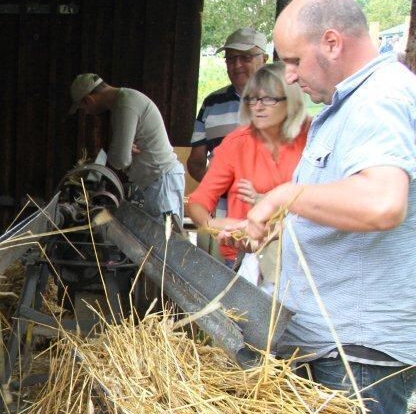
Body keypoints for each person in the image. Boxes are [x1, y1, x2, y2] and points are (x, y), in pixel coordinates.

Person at [229, 0, 416, 414]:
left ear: (331, 43)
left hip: (358, 347)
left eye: (292, 61)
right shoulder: (346, 105)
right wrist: (280, 219)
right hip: (325, 335)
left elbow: (382, 203)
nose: (287, 76)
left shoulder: (383, 100)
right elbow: (339, 203)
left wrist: (285, 198)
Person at [186, 62, 309, 267]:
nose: (257, 106)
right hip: (247, 256)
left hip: (301, 257)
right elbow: (197, 202)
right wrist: (215, 224)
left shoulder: (312, 138)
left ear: (291, 102)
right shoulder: (237, 143)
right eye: (252, 98)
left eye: (268, 99)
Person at [69, 73, 185, 226]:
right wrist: (121, 147)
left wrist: (119, 149)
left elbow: (120, 159)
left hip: (162, 181)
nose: (88, 112)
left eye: (84, 107)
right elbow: (122, 152)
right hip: (155, 181)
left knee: (165, 242)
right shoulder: (121, 104)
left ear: (89, 99)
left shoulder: (125, 104)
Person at [187, 27, 270, 183]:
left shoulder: (282, 101)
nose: (237, 65)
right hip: (222, 207)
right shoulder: (212, 103)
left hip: (270, 206)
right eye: (231, 59)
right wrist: (215, 189)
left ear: (264, 59)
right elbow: (196, 162)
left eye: (246, 58)